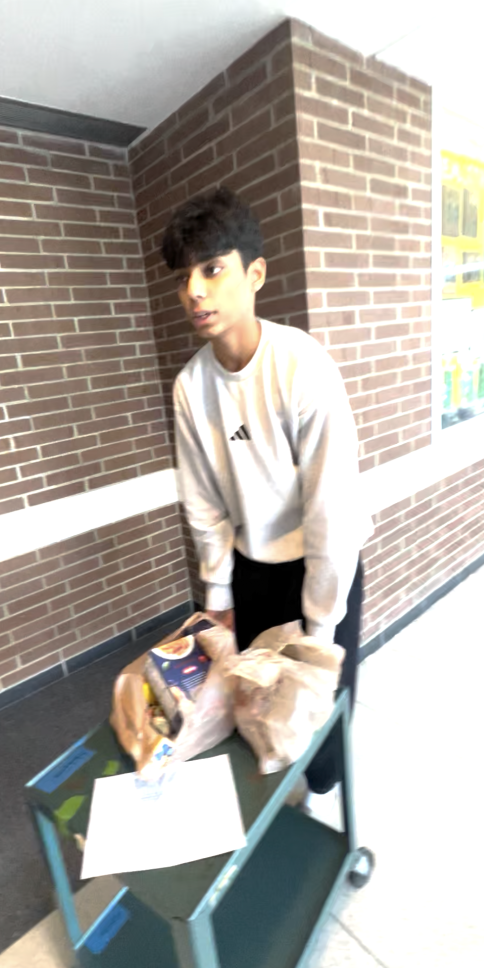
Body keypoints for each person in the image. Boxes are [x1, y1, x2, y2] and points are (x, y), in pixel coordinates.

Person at [162, 186, 373, 797]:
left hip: (321, 561)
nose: (194, 290)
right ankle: (274, 807)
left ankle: (325, 800)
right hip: (252, 568)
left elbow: (330, 509)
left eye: (211, 269)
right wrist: (218, 596)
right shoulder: (190, 387)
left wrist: (319, 627)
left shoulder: (301, 365)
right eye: (183, 278)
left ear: (254, 274)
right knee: (257, 708)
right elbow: (204, 504)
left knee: (318, 729)